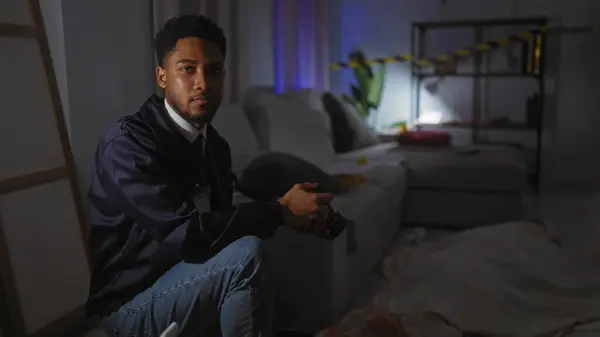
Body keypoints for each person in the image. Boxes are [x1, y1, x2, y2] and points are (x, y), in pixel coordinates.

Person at [86, 15, 334, 337]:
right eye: (187, 69)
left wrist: (289, 213)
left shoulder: (214, 145)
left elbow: (221, 227)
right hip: (129, 305)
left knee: (283, 302)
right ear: (162, 76)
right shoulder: (127, 145)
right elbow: (185, 234)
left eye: (214, 70)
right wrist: (281, 212)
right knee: (246, 259)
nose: (203, 82)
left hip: (186, 281)